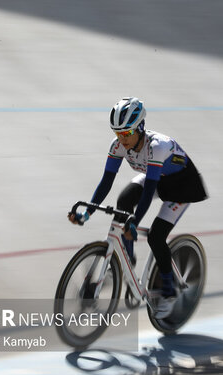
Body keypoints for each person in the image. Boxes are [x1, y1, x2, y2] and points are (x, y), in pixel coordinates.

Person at [68, 97, 208, 319]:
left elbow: (148, 191)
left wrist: (134, 221)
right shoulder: (118, 146)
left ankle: (169, 291)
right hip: (158, 178)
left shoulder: (157, 147)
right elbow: (106, 182)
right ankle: (128, 260)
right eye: (117, 133)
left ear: (139, 128)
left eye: (126, 134)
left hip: (182, 186)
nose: (121, 139)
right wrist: (88, 212)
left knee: (156, 236)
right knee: (123, 200)